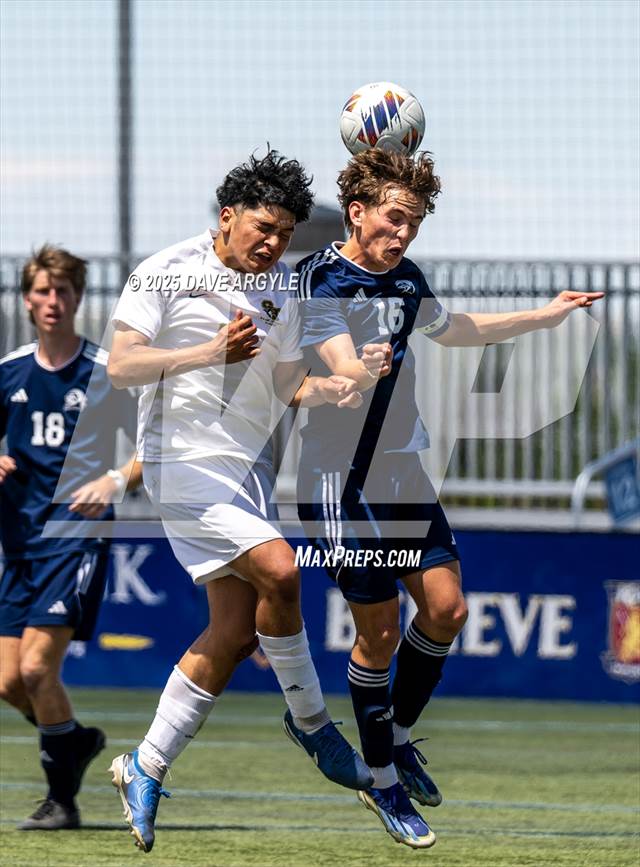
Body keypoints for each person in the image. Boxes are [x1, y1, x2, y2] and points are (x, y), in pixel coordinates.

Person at [296, 148, 604, 849]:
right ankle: (381, 782)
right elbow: (340, 360)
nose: (403, 232)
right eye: (394, 217)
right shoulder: (319, 279)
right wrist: (355, 369)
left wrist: (544, 317)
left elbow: (454, 328)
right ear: (358, 212)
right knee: (376, 634)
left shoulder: (407, 279)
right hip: (341, 482)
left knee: (447, 607)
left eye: (415, 220)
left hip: (402, 470)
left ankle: (396, 736)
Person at [107, 150, 373, 854]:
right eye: (262, 226)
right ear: (226, 217)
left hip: (245, 470)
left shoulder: (284, 289)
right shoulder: (167, 270)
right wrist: (206, 355)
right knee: (281, 571)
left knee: (232, 633)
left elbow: (289, 386)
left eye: (285, 231)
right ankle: (313, 724)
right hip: (178, 465)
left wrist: (335, 388)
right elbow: (120, 364)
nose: (273, 242)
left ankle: (146, 764)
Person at [0, 244, 141, 830]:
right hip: (19, 543)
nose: (52, 301)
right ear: (27, 299)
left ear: (79, 298)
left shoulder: (106, 372)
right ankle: (74, 742)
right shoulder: (9, 372)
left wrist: (113, 480)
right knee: (8, 681)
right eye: (42, 291)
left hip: (75, 539)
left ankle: (62, 801)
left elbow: (153, 450)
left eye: (63, 291)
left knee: (37, 671)